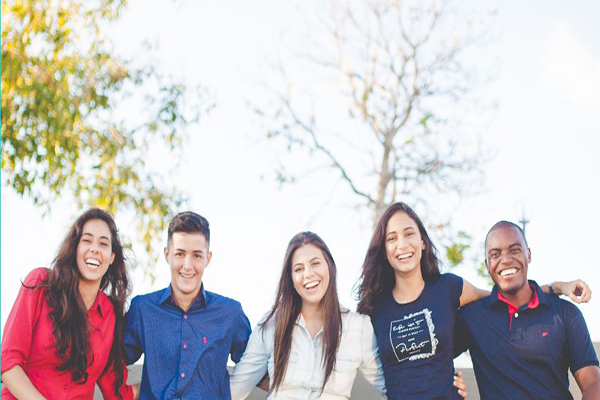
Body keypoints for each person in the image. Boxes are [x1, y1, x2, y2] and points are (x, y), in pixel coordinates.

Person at [356, 202, 590, 400]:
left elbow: (507, 295)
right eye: (392, 238)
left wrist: (556, 287)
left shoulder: (449, 288)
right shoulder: (377, 308)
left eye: (409, 234)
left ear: (423, 241)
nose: (402, 244)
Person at [229, 231, 467, 400]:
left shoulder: (358, 328)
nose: (308, 274)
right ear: (290, 278)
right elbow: (234, 389)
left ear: (329, 267)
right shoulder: (271, 326)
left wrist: (445, 387)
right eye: (298, 269)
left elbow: (395, 386)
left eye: (315, 264)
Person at [455, 221, 600, 399]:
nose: (506, 259)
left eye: (514, 250)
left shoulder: (565, 313)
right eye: (495, 254)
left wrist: (558, 287)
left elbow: (593, 382)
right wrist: (450, 384)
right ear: (487, 264)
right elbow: (428, 357)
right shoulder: (472, 317)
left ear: (528, 254)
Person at [1, 208, 135, 400]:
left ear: (112, 257)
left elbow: (117, 392)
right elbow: (9, 364)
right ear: (75, 248)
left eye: (103, 244)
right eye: (87, 240)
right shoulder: (40, 284)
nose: (94, 249)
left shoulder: (110, 315)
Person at [124, 211, 252, 399]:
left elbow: (256, 366)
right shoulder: (143, 309)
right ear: (167, 255)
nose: (187, 265)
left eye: (196, 256)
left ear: (208, 258)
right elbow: (110, 361)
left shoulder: (230, 313)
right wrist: (132, 391)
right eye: (180, 254)